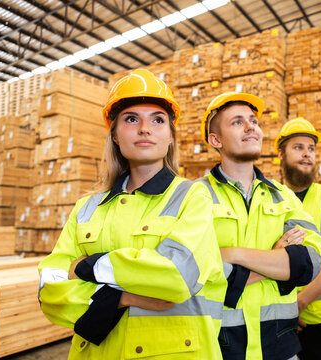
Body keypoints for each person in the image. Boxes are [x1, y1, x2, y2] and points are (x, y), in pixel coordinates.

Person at [37, 69, 227, 359]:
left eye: (158, 120)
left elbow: (176, 275)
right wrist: (122, 297)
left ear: (171, 137)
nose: (145, 128)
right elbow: (50, 290)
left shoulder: (193, 197)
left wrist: (89, 266)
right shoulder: (87, 208)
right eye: (131, 119)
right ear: (115, 134)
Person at [199, 92, 321, 360]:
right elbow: (193, 274)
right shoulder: (194, 197)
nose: (251, 127)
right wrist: (276, 261)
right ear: (215, 139)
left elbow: (309, 263)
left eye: (254, 121)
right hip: (217, 346)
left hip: (279, 346)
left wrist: (232, 254)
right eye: (237, 122)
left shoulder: (284, 196)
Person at [275, 118, 321, 360]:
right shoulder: (268, 197)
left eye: (311, 148)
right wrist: (284, 310)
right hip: (277, 320)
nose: (307, 154)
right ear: (281, 154)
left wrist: (299, 304)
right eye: (298, 147)